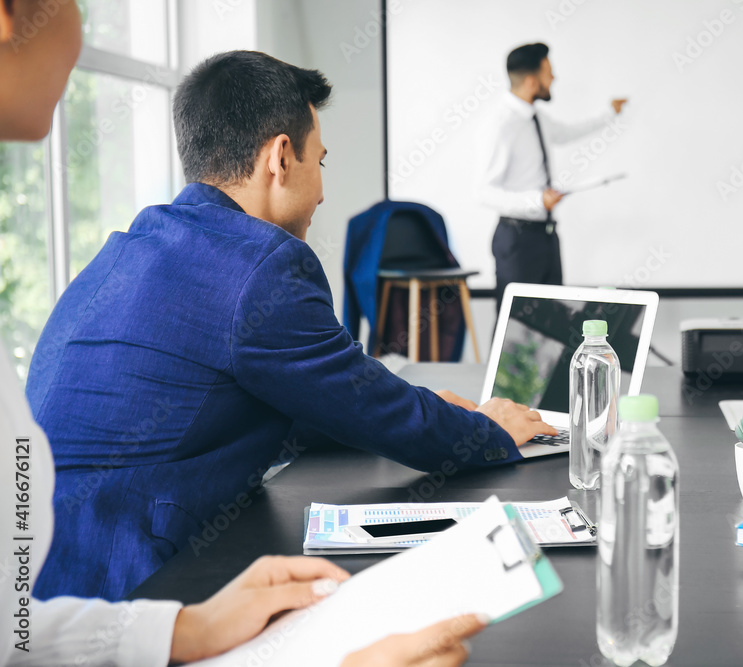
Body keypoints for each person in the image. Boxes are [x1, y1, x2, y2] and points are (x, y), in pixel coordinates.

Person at [0, 1, 485, 664]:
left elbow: (302, 391)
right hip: (130, 580)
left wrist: (412, 404)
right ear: (280, 158)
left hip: (40, 589)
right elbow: (377, 409)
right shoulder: (260, 263)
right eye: (321, 160)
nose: (320, 191)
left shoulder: (134, 241)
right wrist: (494, 431)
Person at [479, 43, 627, 311]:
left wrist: (609, 114)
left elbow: (568, 132)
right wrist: (537, 200)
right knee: (513, 329)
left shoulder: (537, 119)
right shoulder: (502, 124)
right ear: (532, 80)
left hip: (545, 235)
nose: (554, 78)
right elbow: (484, 191)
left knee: (550, 322)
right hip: (517, 239)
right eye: (549, 72)